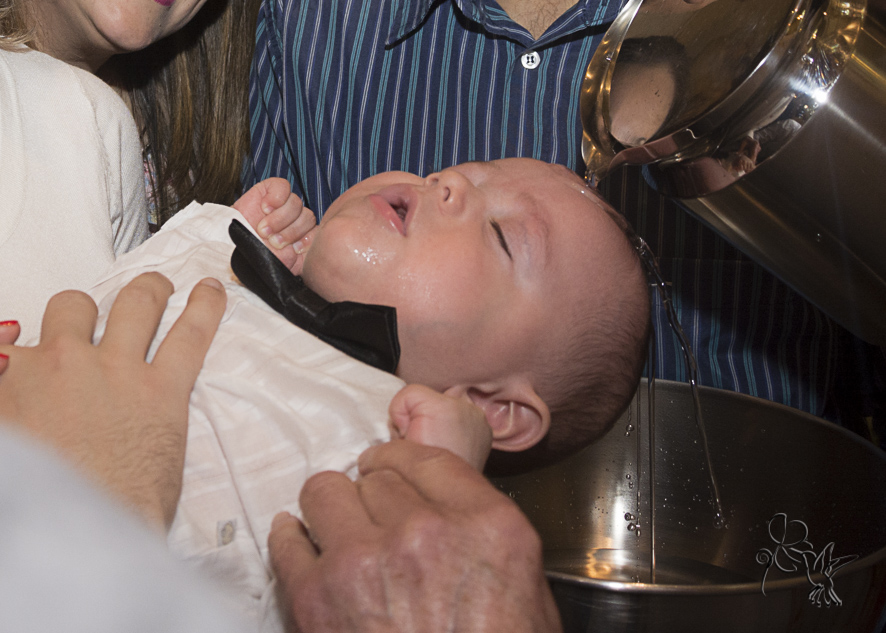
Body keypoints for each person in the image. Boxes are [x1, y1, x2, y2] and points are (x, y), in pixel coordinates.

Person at [18, 157, 646, 629]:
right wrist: (220, 241)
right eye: (461, 171)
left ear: (491, 409)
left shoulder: (383, 494)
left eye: (504, 236)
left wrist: (441, 467)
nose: (450, 182)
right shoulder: (241, 259)